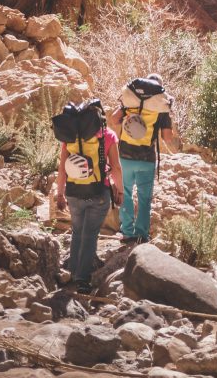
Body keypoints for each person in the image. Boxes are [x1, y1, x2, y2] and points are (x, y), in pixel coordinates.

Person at [55, 102, 124, 293]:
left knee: (78, 230)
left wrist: (59, 193)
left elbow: (62, 168)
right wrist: (120, 190)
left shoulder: (70, 137)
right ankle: (82, 279)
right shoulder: (108, 136)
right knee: (90, 234)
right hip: (98, 192)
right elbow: (116, 168)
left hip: (74, 192)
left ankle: (71, 271)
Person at [111, 73, 181, 244]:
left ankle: (127, 232)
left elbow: (114, 119)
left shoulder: (131, 100)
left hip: (125, 155)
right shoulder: (161, 107)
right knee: (144, 197)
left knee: (125, 193)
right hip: (146, 158)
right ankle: (141, 234)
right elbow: (167, 137)